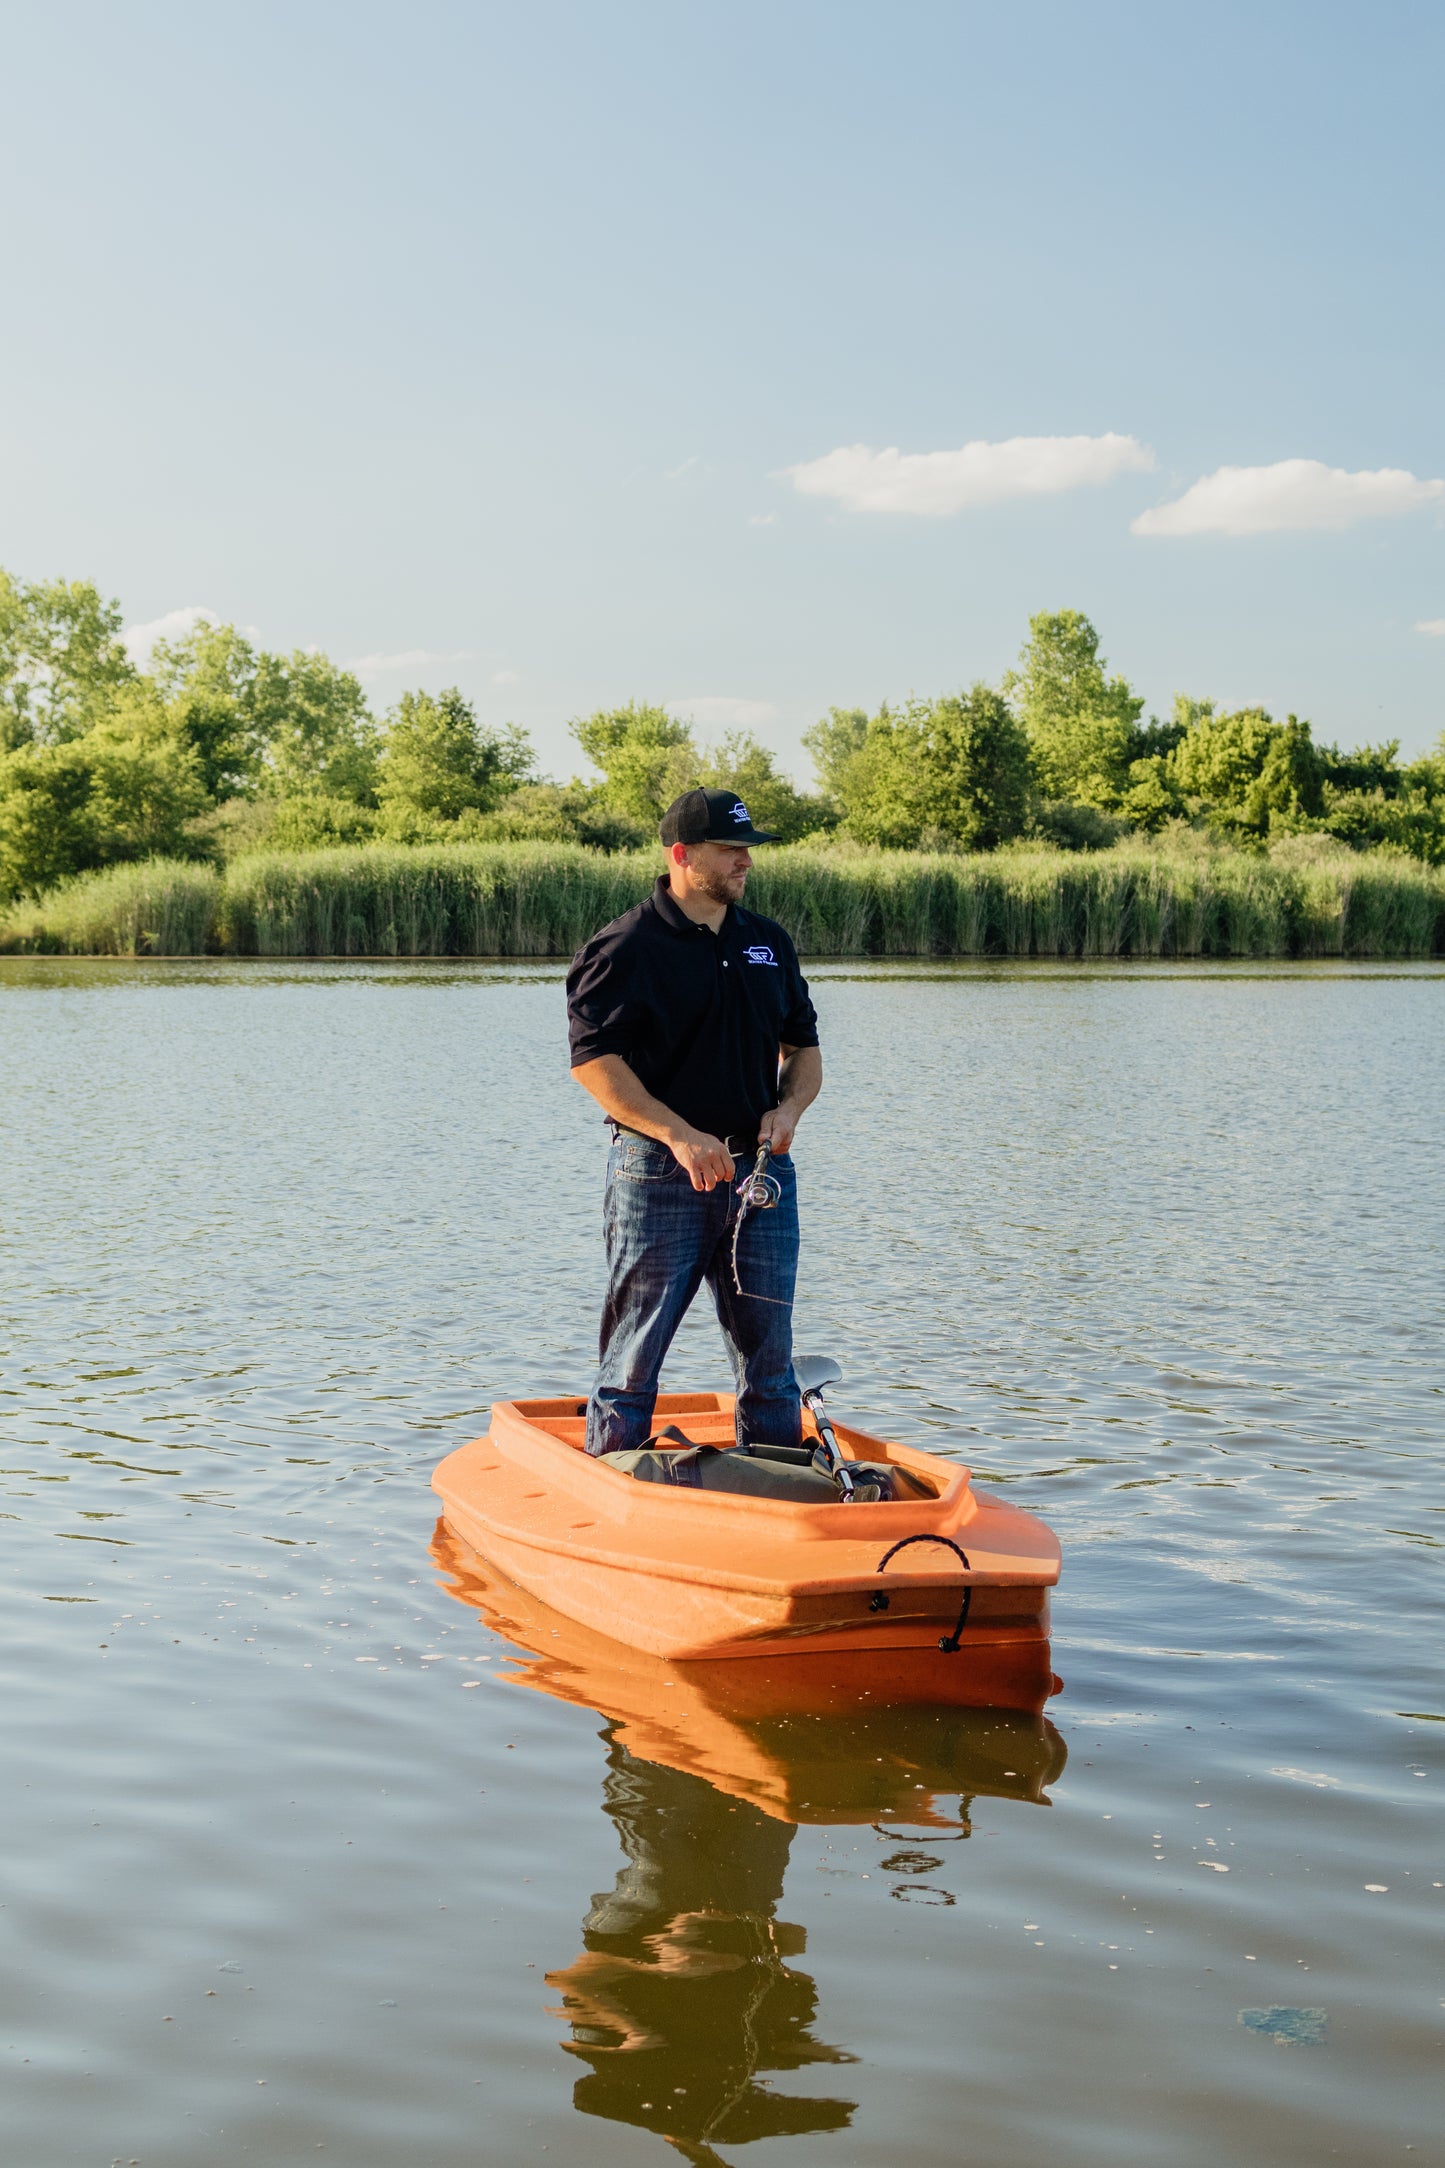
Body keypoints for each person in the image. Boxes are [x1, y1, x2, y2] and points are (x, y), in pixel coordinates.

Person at [566, 786, 822, 1458]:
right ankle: (612, 1487)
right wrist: (678, 1134)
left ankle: (775, 1489)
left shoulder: (767, 942)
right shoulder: (625, 946)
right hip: (658, 1175)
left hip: (761, 1176)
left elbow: (803, 1048)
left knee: (771, 1366)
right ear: (681, 854)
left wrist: (789, 1108)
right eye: (730, 849)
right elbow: (593, 1064)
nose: (746, 861)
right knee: (633, 1362)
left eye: (748, 849)